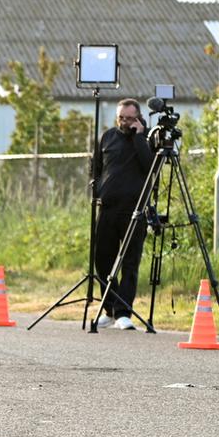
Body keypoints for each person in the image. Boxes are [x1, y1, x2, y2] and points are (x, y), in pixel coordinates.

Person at [91, 98, 154, 330]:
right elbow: (96, 168)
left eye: (130, 118)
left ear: (138, 118)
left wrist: (139, 136)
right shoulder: (107, 137)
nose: (125, 122)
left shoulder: (146, 140)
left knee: (129, 261)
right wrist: (97, 190)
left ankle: (124, 312)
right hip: (107, 208)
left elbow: (151, 167)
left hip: (134, 210)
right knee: (103, 259)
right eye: (122, 118)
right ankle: (109, 308)